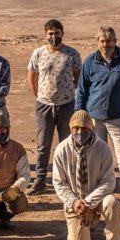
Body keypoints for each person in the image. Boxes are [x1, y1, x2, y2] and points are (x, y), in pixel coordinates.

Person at [74, 26, 120, 214]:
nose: (106, 44)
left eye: (109, 40)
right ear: (97, 42)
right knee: (95, 157)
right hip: (94, 118)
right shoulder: (90, 61)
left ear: (115, 41)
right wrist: (78, 116)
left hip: (118, 117)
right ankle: (95, 196)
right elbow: (82, 90)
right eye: (102, 41)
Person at [52, 110, 120, 240]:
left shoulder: (103, 148)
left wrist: (89, 202)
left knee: (112, 202)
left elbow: (109, 181)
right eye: (76, 128)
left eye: (84, 128)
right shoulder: (61, 149)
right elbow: (59, 183)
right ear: (70, 129)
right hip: (75, 203)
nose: (80, 132)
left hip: (96, 200)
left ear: (91, 128)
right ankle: (82, 227)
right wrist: (75, 202)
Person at [27, 18, 83, 194]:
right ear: (46, 35)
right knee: (43, 145)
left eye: (57, 33)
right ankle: (40, 179)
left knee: (68, 143)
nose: (53, 37)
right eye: (50, 34)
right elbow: (32, 75)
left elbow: (78, 76)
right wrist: (38, 94)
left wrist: (70, 92)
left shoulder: (71, 54)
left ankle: (68, 179)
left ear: (62, 34)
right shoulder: (38, 53)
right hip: (44, 105)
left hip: (67, 105)